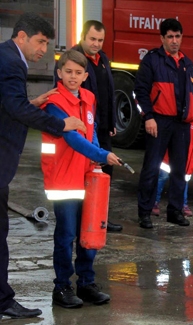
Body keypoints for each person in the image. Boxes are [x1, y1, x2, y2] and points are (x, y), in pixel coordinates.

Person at [0, 12, 85, 319]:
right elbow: (14, 109)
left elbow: (10, 104)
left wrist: (29, 104)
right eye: (40, 41)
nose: (43, 49)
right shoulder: (11, 62)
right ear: (21, 36)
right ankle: (3, 300)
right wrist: (60, 124)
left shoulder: (6, 56)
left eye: (47, 43)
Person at [41, 49, 122, 308]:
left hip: (87, 175)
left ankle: (86, 283)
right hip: (64, 179)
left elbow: (91, 129)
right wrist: (102, 153)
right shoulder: (54, 103)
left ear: (86, 75)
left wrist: (97, 155)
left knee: (89, 232)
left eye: (78, 73)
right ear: (59, 73)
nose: (73, 77)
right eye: (68, 72)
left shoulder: (88, 96)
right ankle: (62, 287)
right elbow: (72, 138)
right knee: (66, 235)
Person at [134, 18, 193, 229]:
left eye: (177, 36)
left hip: (181, 124)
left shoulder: (187, 64)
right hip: (159, 121)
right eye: (170, 36)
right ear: (162, 38)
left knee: (180, 170)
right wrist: (148, 117)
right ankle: (144, 213)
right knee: (151, 169)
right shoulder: (152, 61)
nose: (174, 40)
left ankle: (175, 211)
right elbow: (139, 92)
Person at [57, 20, 123, 232]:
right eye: (92, 39)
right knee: (83, 173)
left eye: (100, 40)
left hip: (101, 126)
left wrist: (111, 121)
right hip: (81, 127)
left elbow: (108, 92)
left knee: (104, 171)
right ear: (83, 37)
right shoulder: (73, 61)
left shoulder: (103, 59)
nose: (96, 44)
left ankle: (99, 214)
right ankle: (80, 218)